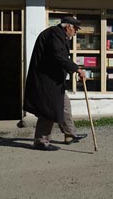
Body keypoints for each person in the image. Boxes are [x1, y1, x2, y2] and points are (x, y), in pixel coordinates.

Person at [23, 16, 87, 151]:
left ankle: (70, 134)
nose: (75, 32)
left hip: (53, 81)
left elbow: (59, 57)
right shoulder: (55, 34)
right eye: (75, 29)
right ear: (68, 27)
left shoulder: (58, 35)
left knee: (64, 105)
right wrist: (76, 69)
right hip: (46, 81)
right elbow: (58, 56)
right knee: (49, 109)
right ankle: (41, 141)